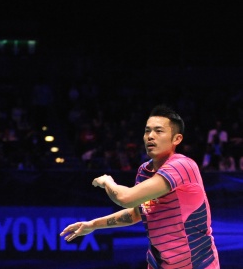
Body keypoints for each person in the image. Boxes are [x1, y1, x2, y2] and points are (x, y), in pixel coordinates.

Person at [60, 104, 219, 269]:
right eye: (147, 131)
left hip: (197, 264)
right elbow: (138, 212)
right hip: (158, 264)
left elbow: (126, 198)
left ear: (176, 139)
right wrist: (92, 225)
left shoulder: (183, 166)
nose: (150, 136)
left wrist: (107, 181)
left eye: (158, 131)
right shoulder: (145, 171)